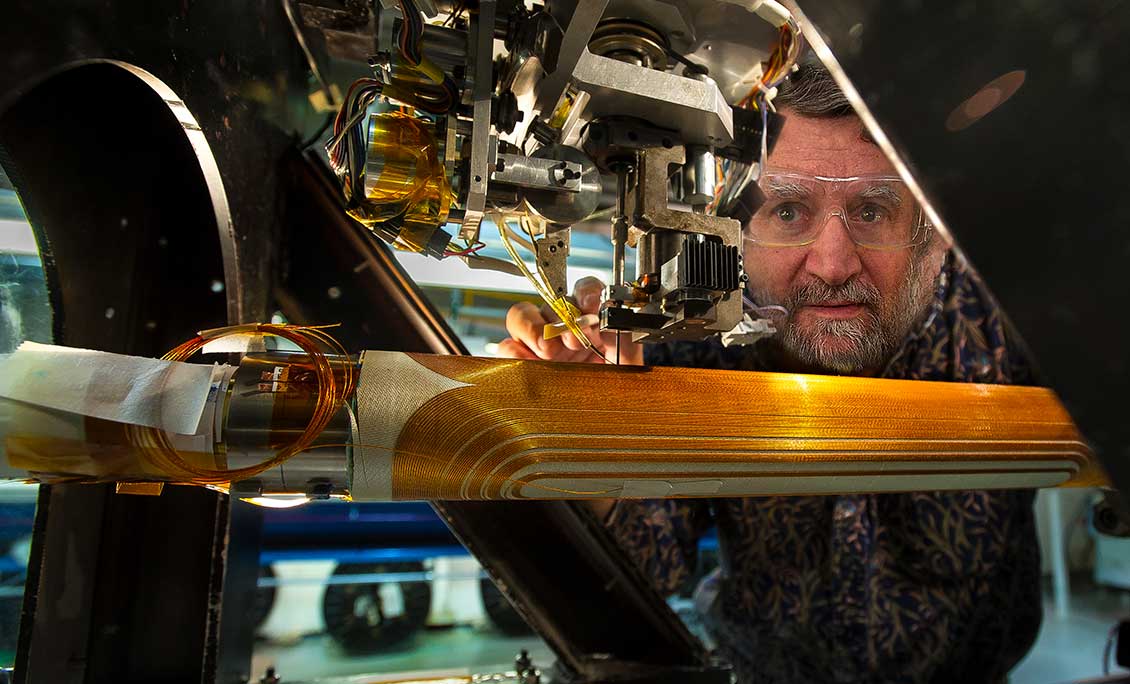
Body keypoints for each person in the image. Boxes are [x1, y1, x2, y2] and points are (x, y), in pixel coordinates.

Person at [498, 61, 1040, 684]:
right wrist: (592, 440)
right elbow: (649, 561)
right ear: (736, 230)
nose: (833, 264)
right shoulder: (704, 344)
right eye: (788, 212)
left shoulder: (1007, 325)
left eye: (871, 211)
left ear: (934, 235)